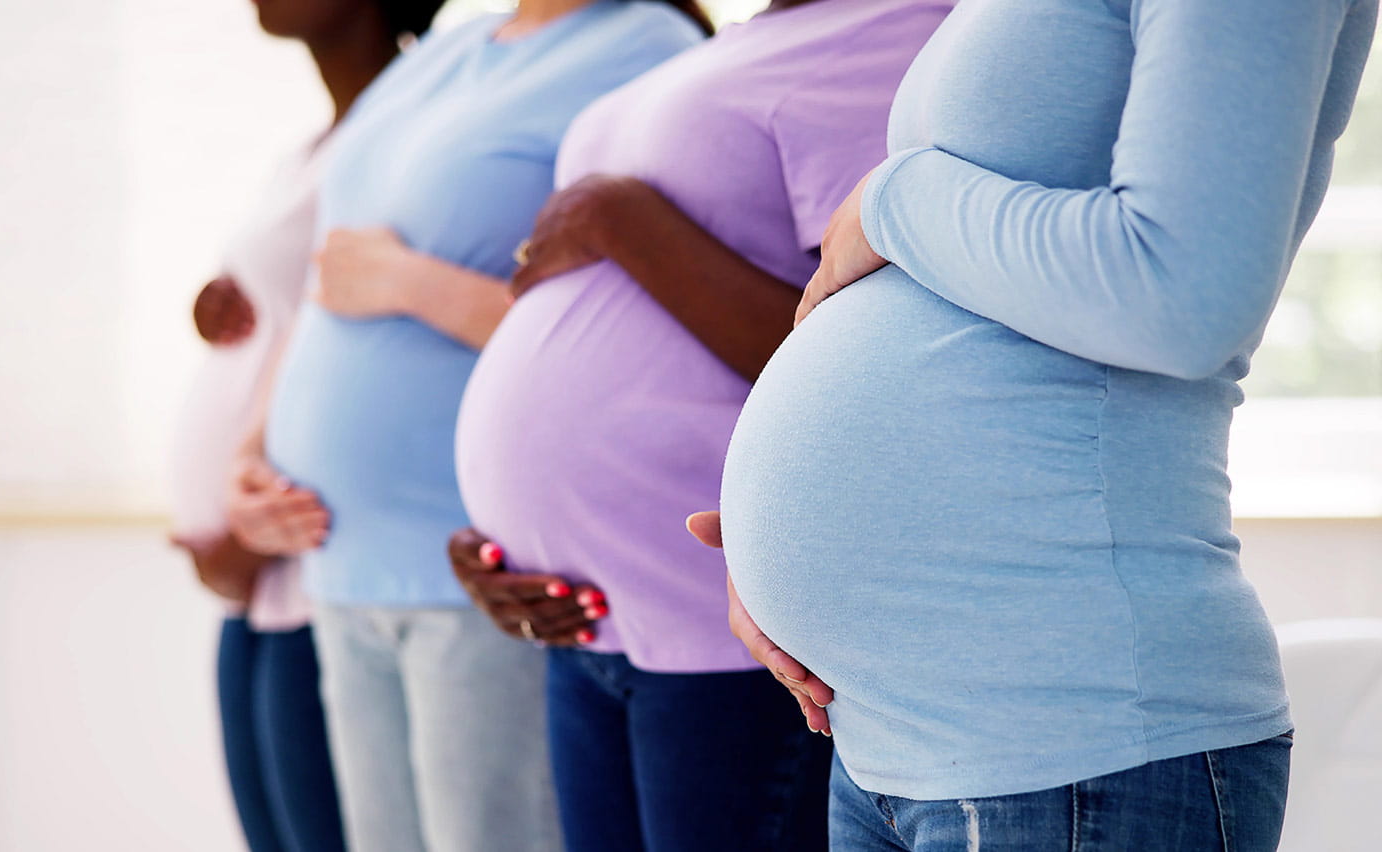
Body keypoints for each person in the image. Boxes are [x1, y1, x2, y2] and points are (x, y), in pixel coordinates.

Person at [705, 0, 1379, 849]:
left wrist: (891, 198)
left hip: (1069, 746)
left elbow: (1183, 300)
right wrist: (792, 543)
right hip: (888, 746)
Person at [445, 1, 951, 849]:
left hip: (725, 630)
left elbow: (870, 361)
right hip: (588, 622)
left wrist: (617, 220)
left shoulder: (900, 29)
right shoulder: (749, 42)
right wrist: (511, 526)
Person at [236, 2, 707, 851]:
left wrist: (413, 284)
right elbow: (333, 268)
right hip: (343, 566)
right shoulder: (452, 47)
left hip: (479, 576)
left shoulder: (645, 45)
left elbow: (646, 328)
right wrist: (253, 450)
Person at [169, 0, 445, 849]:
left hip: (308, 553)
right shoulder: (319, 143)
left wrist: (250, 539)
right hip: (257, 568)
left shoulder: (422, 122)